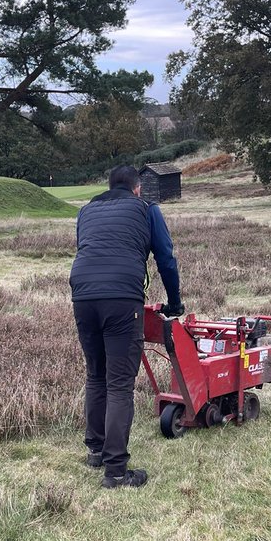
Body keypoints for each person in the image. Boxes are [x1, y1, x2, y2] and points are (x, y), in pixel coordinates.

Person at [70, 165, 183, 489]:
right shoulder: (147, 209)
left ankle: (96, 451)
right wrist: (174, 302)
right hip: (121, 299)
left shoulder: (86, 211)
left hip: (82, 296)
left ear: (109, 186)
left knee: (96, 375)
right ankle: (117, 471)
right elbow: (165, 258)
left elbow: (87, 249)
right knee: (120, 384)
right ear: (137, 188)